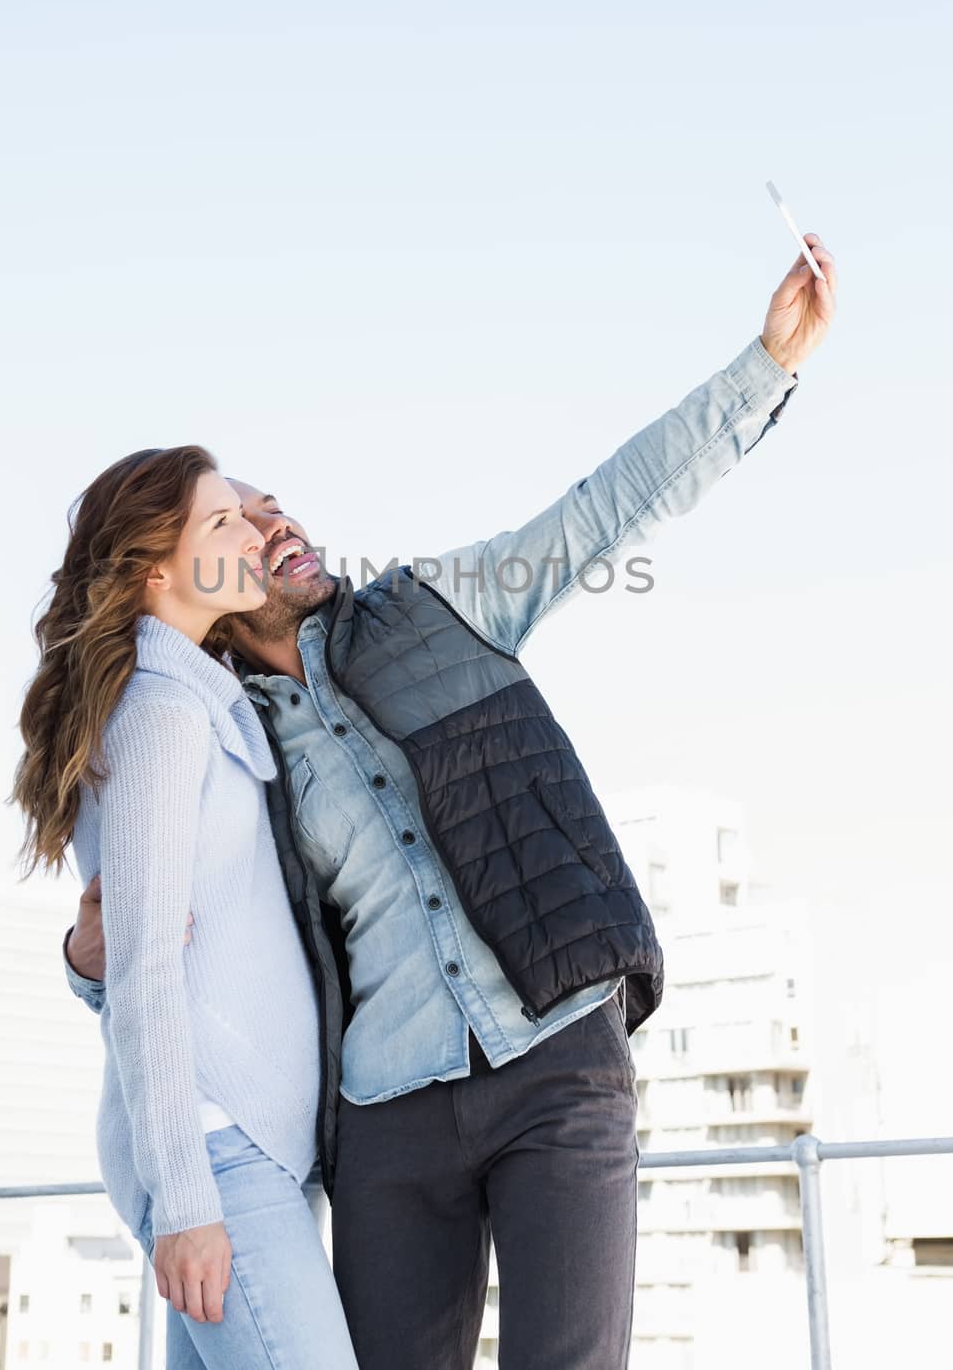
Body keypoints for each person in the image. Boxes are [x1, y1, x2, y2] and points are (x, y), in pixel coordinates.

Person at [63, 237, 837, 1369]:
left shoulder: (436, 602)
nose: (272, 521)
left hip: (552, 1060)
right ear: (204, 573)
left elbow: (602, 509)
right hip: (385, 1111)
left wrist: (764, 364)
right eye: (237, 517)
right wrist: (84, 961)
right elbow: (176, 929)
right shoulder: (222, 735)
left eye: (276, 504)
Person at [12, 445, 359, 1370]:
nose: (254, 531)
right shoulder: (163, 717)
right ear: (154, 570)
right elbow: (145, 969)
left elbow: (128, 951)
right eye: (221, 521)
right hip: (217, 1156)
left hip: (249, 1154)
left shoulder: (192, 701)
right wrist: (188, 1203)